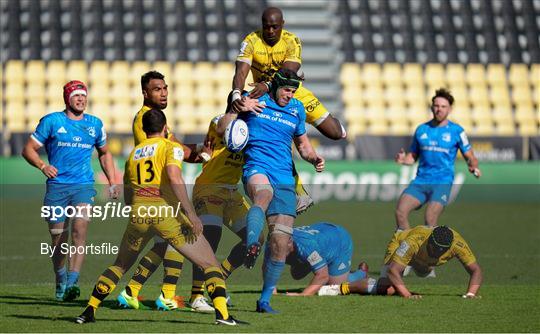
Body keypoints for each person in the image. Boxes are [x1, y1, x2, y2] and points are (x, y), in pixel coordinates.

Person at [75, 109, 243, 326]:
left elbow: (128, 192)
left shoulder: (134, 153)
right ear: (165, 128)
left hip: (139, 213)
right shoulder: (170, 146)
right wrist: (191, 214)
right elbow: (174, 177)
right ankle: (223, 315)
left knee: (119, 265)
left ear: (144, 130)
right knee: (209, 263)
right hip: (165, 213)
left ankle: (89, 310)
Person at [220, 68, 325, 313]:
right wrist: (237, 107)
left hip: (285, 177)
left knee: (281, 241)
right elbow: (222, 128)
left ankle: (264, 300)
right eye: (287, 90)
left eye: (293, 91)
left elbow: (303, 145)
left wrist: (314, 158)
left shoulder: (297, 109)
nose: (290, 95)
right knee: (263, 195)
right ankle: (251, 244)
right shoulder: (255, 101)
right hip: (257, 167)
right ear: (276, 85)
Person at [228, 6, 347, 214]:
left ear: (282, 25)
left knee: (335, 133)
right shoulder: (251, 41)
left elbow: (288, 71)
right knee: (276, 142)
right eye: (267, 27)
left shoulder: (292, 40)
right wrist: (237, 93)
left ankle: (338, 123)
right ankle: (299, 192)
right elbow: (241, 71)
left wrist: (265, 83)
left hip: (294, 92)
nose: (270, 31)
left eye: (275, 27)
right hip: (267, 99)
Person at [116, 71, 210, 311]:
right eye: (157, 89)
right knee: (181, 236)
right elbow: (160, 149)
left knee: (164, 244)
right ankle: (165, 295)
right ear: (145, 93)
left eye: (165, 88)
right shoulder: (144, 119)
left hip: (155, 196)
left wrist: (202, 151)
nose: (163, 92)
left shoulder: (157, 118)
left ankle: (133, 291)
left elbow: (176, 147)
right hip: (156, 194)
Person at [22, 80, 118, 301]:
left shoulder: (95, 124)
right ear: (67, 98)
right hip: (57, 188)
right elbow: (28, 149)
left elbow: (105, 153)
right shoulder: (52, 121)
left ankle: (73, 282)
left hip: (84, 186)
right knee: (58, 238)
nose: (81, 99)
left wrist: (112, 181)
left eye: (83, 95)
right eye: (76, 95)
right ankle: (60, 276)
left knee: (79, 233)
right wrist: (43, 166)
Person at [318, 225, 483, 299]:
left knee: (422, 273)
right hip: (400, 244)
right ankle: (340, 288)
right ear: (429, 241)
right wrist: (407, 294)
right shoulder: (414, 241)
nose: (437, 252)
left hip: (423, 264)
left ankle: (361, 272)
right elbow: (393, 271)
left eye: (442, 251)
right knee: (386, 288)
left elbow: (476, 270)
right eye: (433, 247)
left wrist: (470, 294)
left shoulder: (458, 244)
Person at [277, 222, 368, 296]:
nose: (278, 250)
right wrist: (271, 291)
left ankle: (361, 273)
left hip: (338, 239)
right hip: (321, 236)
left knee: (334, 287)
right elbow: (268, 268)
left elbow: (322, 276)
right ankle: (336, 270)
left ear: (290, 242)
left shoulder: (308, 246)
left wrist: (303, 295)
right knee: (296, 274)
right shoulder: (273, 243)